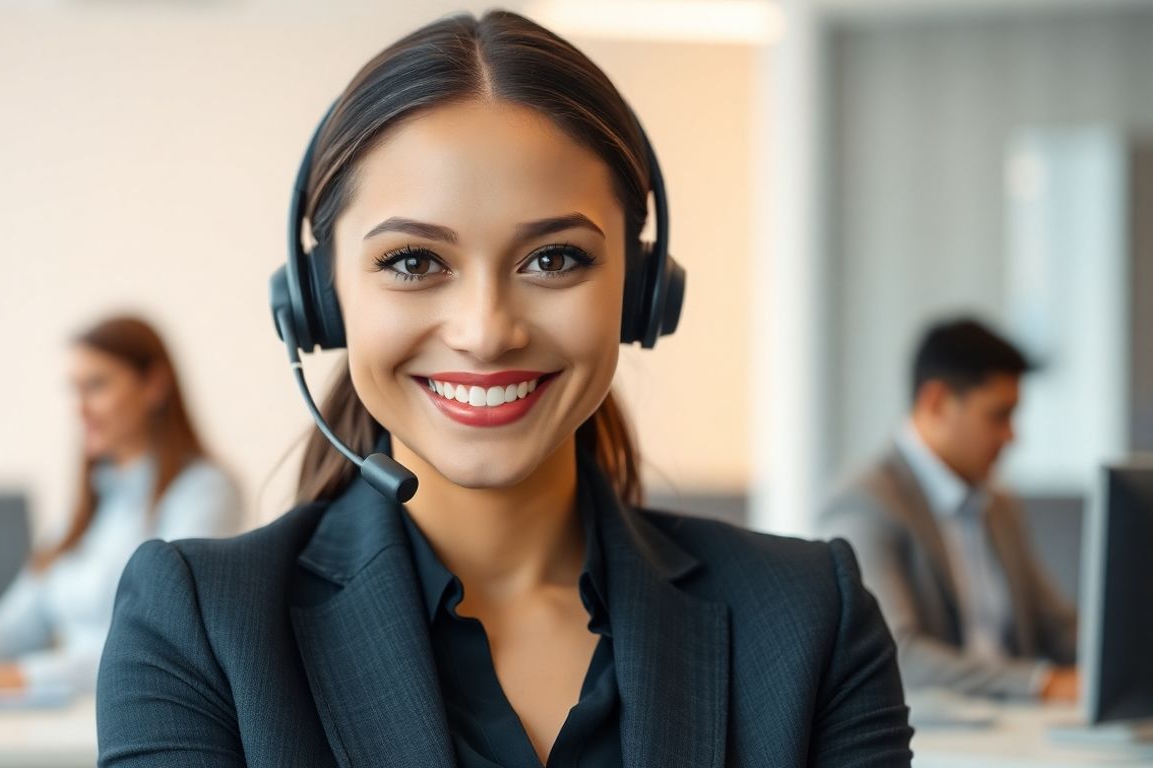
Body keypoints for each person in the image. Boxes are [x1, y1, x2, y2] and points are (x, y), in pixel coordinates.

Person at [97, 12, 912, 766]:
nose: (486, 331)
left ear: (641, 292)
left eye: (554, 258)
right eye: (414, 262)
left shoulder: (808, 621)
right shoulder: (198, 626)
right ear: (319, 300)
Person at [0, 315, 242, 698]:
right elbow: (13, 627)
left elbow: (161, 643)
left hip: (131, 713)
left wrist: (15, 678)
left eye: (97, 385)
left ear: (154, 384)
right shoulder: (87, 511)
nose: (79, 407)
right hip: (68, 709)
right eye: (74, 388)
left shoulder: (203, 494)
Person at [819, 317, 1078, 701]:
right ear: (937, 402)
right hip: (939, 739)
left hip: (1021, 728)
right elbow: (895, 656)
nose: (1012, 436)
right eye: (998, 415)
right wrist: (1042, 684)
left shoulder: (999, 505)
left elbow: (1059, 628)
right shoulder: (864, 503)